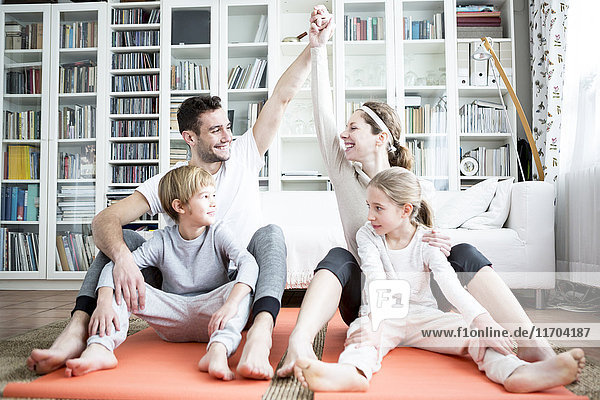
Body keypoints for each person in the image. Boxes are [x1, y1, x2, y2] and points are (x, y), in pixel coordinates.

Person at [277, 6, 556, 377]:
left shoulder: (416, 187)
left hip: (422, 298)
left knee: (465, 250)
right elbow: (320, 109)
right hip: (370, 299)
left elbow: (428, 245)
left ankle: (537, 348)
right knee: (338, 256)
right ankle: (299, 343)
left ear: (381, 138)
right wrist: (318, 46)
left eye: (354, 128)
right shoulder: (345, 173)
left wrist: (445, 241)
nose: (343, 134)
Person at [27, 43, 313, 380]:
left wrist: (314, 45)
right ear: (190, 137)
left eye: (227, 126)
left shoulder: (245, 154)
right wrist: (122, 258)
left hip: (231, 289)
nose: (228, 137)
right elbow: (105, 220)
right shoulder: (169, 182)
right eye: (216, 130)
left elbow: (282, 96)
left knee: (270, 235)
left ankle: (260, 333)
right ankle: (79, 329)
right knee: (125, 240)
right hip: (176, 293)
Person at [294, 167, 585, 393]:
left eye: (378, 208)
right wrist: (373, 321)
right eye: (369, 206)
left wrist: (482, 319)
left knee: (477, 337)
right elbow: (374, 277)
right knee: (362, 339)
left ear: (406, 210)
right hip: (385, 315)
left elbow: (450, 285)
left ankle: (516, 373)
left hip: (426, 317)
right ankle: (353, 374)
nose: (369, 215)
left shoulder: (427, 240)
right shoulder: (367, 235)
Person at [65, 166, 258, 380]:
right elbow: (115, 268)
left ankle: (218, 349)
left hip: (212, 317)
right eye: (205, 196)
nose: (213, 202)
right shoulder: (162, 240)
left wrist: (231, 303)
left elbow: (248, 262)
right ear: (179, 206)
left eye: (213, 195)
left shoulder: (219, 232)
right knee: (122, 279)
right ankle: (100, 348)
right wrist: (102, 302)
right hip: (171, 315)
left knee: (241, 291)